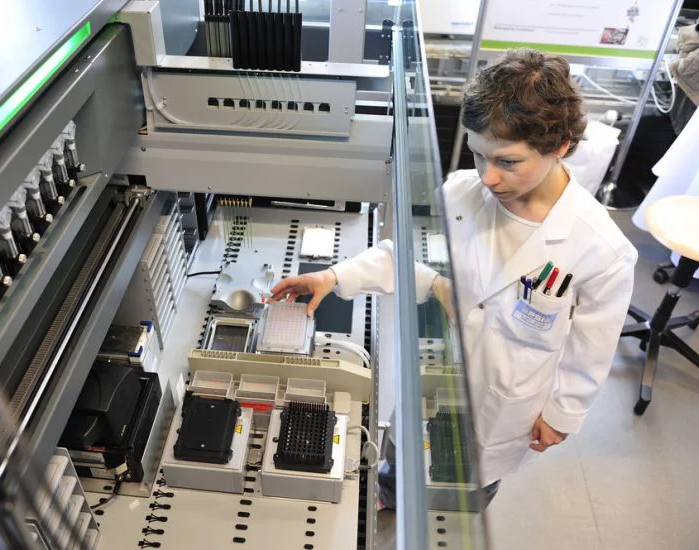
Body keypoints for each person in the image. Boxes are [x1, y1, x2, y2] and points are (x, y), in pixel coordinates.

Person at [268, 49, 638, 508]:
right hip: (435, 370)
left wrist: (564, 414)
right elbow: (411, 261)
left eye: (508, 162)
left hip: (505, 400)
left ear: (560, 144)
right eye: (479, 155)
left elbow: (592, 349)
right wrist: (335, 275)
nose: (488, 177)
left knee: (468, 489)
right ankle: (390, 494)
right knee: (403, 455)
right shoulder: (461, 191)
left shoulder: (601, 249)